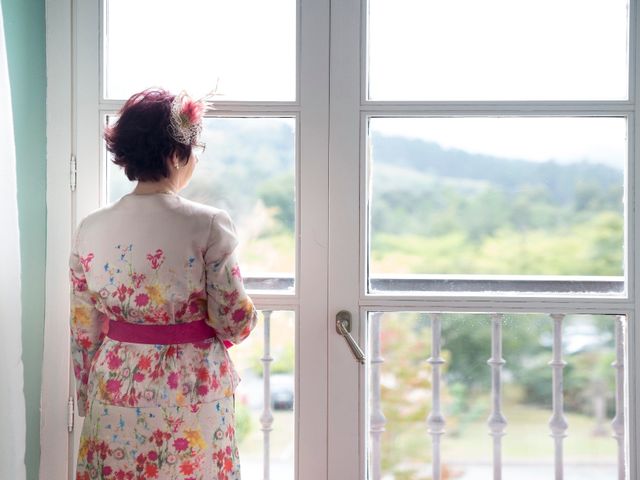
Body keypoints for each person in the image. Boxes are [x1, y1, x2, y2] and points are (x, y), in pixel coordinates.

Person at [69, 87, 258, 480]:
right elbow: (235, 320)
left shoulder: (90, 228)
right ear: (176, 153)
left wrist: (88, 394)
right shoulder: (207, 224)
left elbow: (83, 331)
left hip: (116, 384)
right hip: (191, 385)